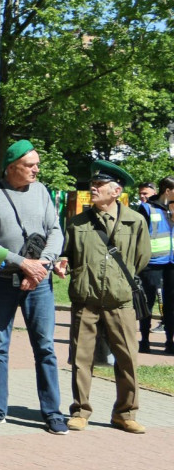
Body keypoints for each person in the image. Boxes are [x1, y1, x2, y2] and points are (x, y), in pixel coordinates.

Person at [0, 140, 67, 434]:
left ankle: (52, 412)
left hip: (39, 282)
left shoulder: (41, 191)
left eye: (36, 164)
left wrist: (41, 265)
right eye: (31, 165)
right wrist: (22, 262)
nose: (36, 170)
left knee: (45, 347)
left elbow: (55, 230)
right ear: (12, 166)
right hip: (2, 281)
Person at [56, 161, 149, 434]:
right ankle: (80, 411)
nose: (92, 190)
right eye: (92, 185)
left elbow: (141, 259)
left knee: (127, 359)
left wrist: (120, 281)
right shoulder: (78, 222)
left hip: (121, 301)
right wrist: (64, 262)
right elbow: (68, 254)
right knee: (81, 359)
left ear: (116, 190)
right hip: (86, 300)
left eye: (99, 186)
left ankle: (125, 413)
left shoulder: (135, 221)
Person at [138, 178, 174, 353]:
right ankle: (144, 340)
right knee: (149, 302)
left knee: (171, 304)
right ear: (167, 191)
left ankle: (170, 341)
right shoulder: (146, 209)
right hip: (152, 264)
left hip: (172, 265)